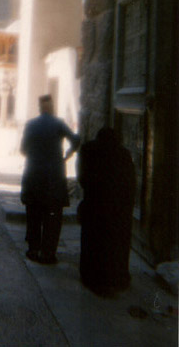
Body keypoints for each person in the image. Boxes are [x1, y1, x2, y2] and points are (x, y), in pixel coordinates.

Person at [20, 94, 80, 264]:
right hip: (54, 176)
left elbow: (23, 149)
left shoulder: (30, 124)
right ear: (52, 107)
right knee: (52, 216)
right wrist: (66, 156)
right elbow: (76, 140)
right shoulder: (59, 123)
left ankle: (33, 249)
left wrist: (35, 156)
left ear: (40, 107)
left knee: (33, 213)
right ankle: (48, 253)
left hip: (33, 175)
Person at [77, 127, 135, 296]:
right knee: (114, 245)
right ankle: (115, 278)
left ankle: (91, 277)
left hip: (94, 205)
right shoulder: (123, 154)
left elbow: (83, 178)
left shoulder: (88, 150)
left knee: (92, 243)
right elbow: (130, 184)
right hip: (117, 209)